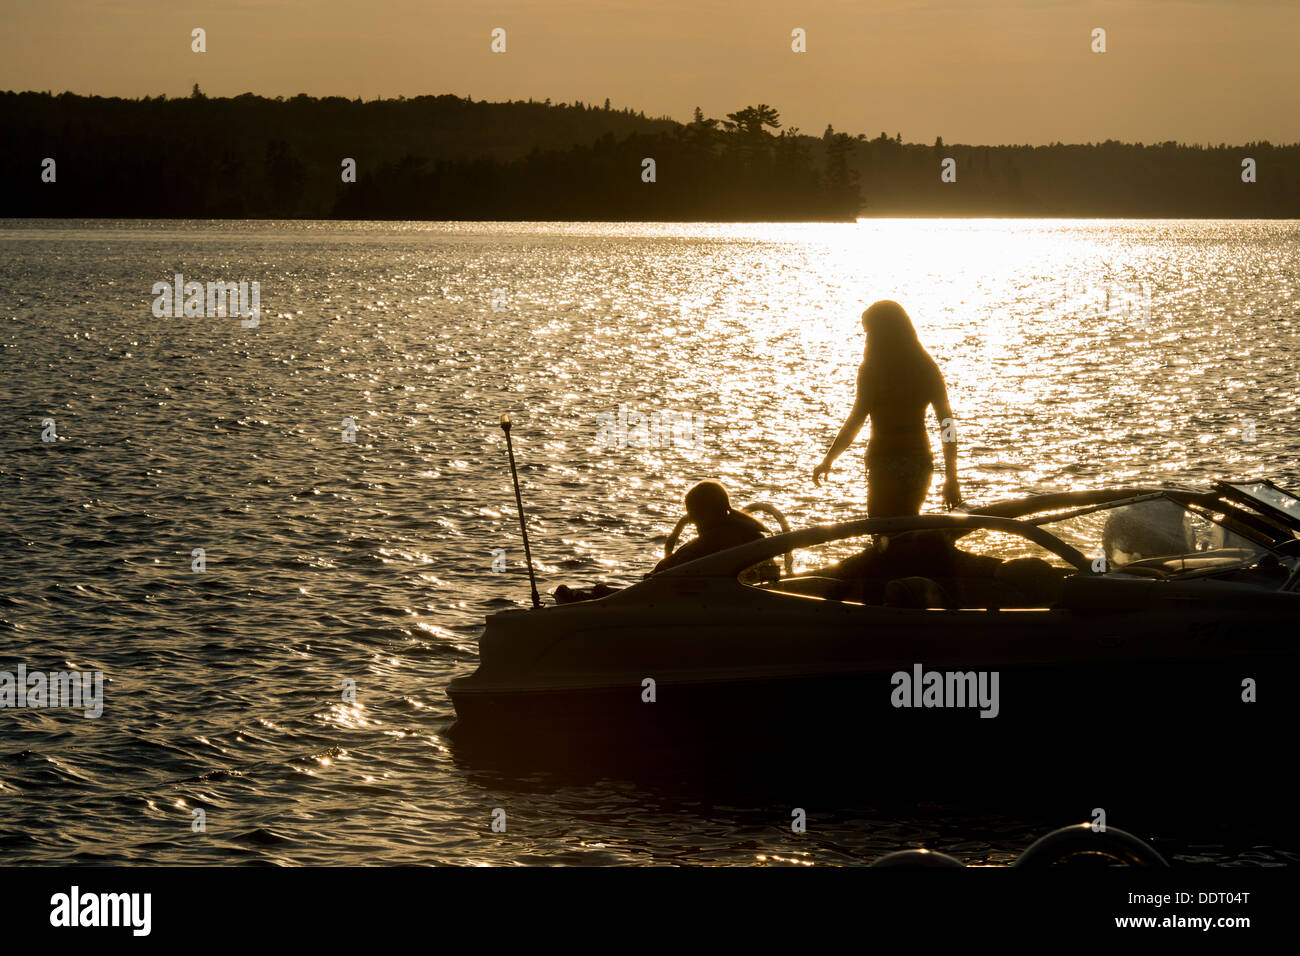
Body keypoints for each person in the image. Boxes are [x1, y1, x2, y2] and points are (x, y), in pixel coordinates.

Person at [812, 300, 962, 516]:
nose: (867, 339)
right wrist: (951, 477)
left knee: (883, 532)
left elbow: (856, 419)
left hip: (888, 463)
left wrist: (829, 459)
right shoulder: (925, 367)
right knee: (904, 529)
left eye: (870, 331)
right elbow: (947, 424)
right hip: (914, 463)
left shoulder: (873, 370)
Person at [652, 480, 769, 574]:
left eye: (692, 513)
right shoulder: (754, 536)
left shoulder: (704, 545)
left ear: (705, 513)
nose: (690, 519)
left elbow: (663, 574)